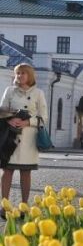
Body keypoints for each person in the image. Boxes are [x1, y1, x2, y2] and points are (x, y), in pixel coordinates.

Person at [0, 63, 48, 219]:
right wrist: (9, 120)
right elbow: (1, 111)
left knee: (25, 172)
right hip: (10, 138)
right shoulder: (9, 91)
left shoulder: (38, 93)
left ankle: (24, 206)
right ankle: (4, 205)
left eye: (22, 73)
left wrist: (28, 122)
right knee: (7, 171)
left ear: (30, 75)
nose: (19, 76)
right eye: (17, 73)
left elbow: (44, 118)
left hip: (29, 139)